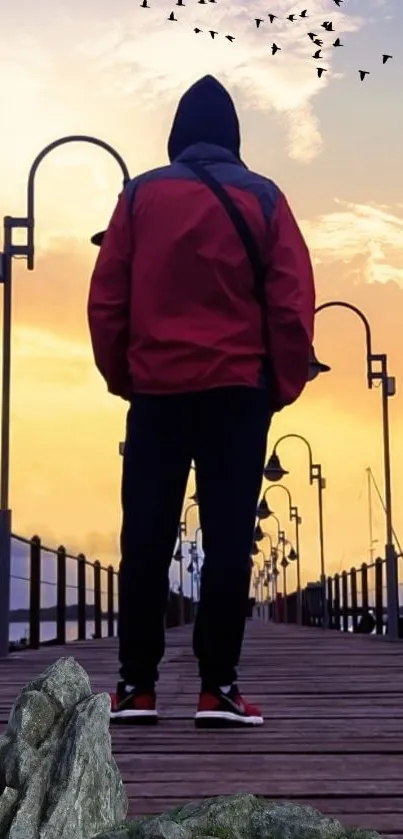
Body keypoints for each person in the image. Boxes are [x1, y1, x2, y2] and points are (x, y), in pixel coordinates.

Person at [87, 74, 315, 728]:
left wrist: (123, 375)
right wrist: (280, 386)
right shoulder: (265, 200)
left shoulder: (139, 197)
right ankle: (217, 687)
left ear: (178, 136)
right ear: (233, 138)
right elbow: (291, 305)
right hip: (235, 395)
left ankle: (136, 687)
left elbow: (107, 300)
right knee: (227, 543)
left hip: (157, 390)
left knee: (147, 539)